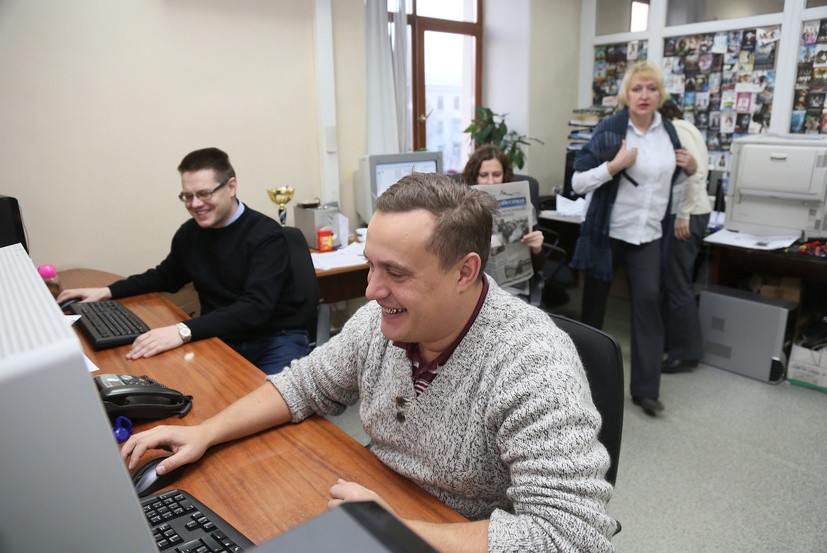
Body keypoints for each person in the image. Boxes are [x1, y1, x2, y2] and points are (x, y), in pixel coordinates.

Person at [121, 173, 618, 552]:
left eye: (395, 273)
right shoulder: (380, 323)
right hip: (379, 501)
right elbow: (304, 385)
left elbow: (571, 537)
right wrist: (205, 432)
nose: (371, 290)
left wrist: (395, 528)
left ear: (465, 272)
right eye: (370, 265)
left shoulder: (533, 363)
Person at [57, 147, 311, 375]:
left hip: (275, 338)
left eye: (204, 193)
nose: (195, 204)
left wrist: (182, 330)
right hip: (222, 336)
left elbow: (255, 308)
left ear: (231, 186)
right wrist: (107, 291)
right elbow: (165, 276)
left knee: (269, 406)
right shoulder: (190, 233)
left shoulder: (266, 235)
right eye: (188, 196)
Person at [569, 60, 691, 416]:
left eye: (651, 88)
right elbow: (577, 181)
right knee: (594, 310)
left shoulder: (669, 131)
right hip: (608, 232)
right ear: (627, 93)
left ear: (660, 94)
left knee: (649, 304)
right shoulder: (611, 128)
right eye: (637, 88)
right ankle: (581, 385)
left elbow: (670, 181)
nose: (644, 95)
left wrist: (691, 170)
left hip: (648, 233)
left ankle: (646, 391)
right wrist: (614, 166)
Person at [658, 101, 712, 373]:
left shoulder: (678, 129)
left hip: (687, 214)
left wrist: (683, 214)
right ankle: (674, 343)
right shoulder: (683, 128)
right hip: (683, 212)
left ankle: (687, 353)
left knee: (678, 283)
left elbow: (696, 172)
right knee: (671, 281)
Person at [459, 144, 545, 302]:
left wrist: (537, 249)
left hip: (511, 292)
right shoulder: (459, 209)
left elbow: (538, 267)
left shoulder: (526, 208)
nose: (491, 182)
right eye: (484, 175)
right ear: (474, 177)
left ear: (504, 175)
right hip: (473, 290)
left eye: (496, 174)